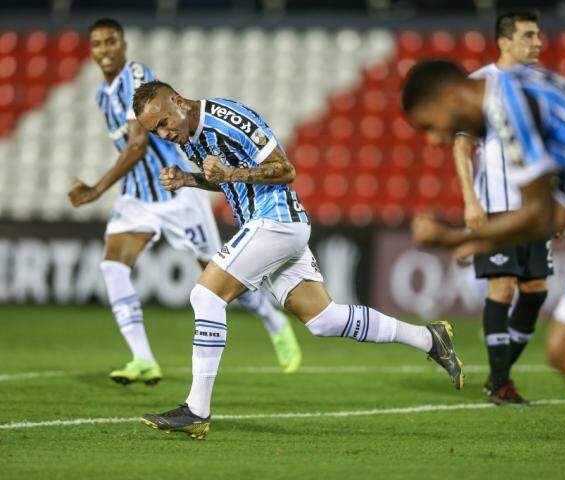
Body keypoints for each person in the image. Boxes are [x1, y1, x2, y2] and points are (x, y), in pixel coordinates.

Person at [130, 79, 464, 439]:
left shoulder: (228, 119)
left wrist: (232, 173)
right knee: (324, 319)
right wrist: (189, 180)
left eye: (164, 122)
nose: (164, 134)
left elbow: (285, 170)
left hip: (276, 221)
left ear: (178, 101)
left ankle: (196, 410)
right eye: (156, 131)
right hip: (270, 226)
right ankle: (429, 339)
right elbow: (225, 181)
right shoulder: (189, 137)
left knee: (206, 295)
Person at [403, 59, 565, 429]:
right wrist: (482, 242)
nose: (436, 140)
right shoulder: (521, 89)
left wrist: (452, 237)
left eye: (430, 126)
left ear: (450, 95)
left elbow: (538, 214)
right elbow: (559, 214)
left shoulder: (508, 103)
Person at [67, 18, 302, 385]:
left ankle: (273, 321)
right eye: (96, 44)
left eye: (111, 41)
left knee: (216, 272)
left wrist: (97, 190)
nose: (104, 50)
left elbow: (136, 144)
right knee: (112, 265)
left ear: (123, 44)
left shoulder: (138, 77)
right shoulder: (102, 94)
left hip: (176, 195)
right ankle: (143, 358)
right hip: (138, 196)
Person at [453, 12, 549, 405]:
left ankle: (499, 375)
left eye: (538, 35)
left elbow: (549, 151)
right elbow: (461, 145)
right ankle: (502, 383)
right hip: (495, 206)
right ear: (505, 42)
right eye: (528, 36)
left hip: (534, 208)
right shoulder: (480, 84)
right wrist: (469, 200)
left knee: (536, 291)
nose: (538, 42)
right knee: (503, 285)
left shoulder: (542, 86)